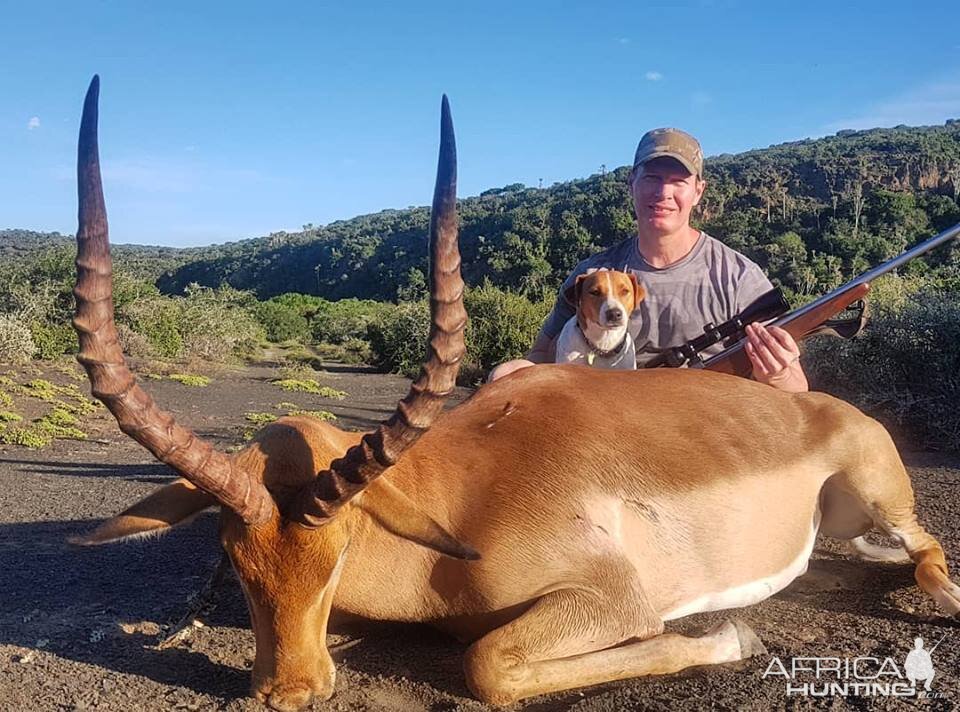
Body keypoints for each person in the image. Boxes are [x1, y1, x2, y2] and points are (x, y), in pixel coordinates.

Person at [488, 127, 809, 393]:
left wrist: (781, 376)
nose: (663, 192)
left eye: (678, 182)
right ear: (632, 184)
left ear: (698, 191)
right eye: (652, 178)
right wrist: (514, 375)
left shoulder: (739, 279)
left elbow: (797, 389)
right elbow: (543, 356)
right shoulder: (591, 278)